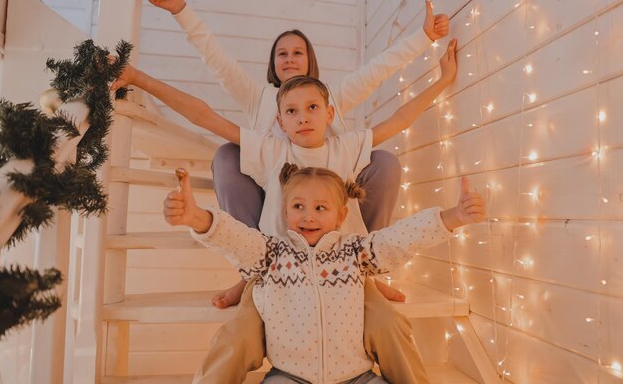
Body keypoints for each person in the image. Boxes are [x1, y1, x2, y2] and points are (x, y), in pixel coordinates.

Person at [111, 40, 457, 383]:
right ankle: (247, 280)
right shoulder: (270, 151)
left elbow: (401, 118)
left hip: (341, 268)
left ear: (330, 114)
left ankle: (373, 284)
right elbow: (204, 116)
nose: (302, 118)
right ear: (279, 120)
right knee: (233, 340)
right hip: (276, 271)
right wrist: (140, 78)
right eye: (292, 111)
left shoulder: (347, 148)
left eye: (312, 108)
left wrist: (442, 81)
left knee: (391, 326)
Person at [148, 0, 450, 309]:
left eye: (297, 52)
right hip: (271, 192)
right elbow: (215, 59)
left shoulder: (332, 98)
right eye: (282, 53)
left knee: (384, 161)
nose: (290, 58)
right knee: (227, 154)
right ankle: (253, 271)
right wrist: (180, 11)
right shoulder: (258, 98)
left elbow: (380, 70)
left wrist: (424, 39)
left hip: (327, 192)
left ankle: (366, 268)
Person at [163, 164, 486, 384]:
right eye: (298, 206)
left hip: (356, 375)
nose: (308, 216)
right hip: (289, 375)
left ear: (341, 215)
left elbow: (397, 240)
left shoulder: (354, 253)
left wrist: (453, 217)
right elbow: (235, 238)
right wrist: (196, 217)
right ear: (285, 210)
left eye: (320, 208)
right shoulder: (272, 253)